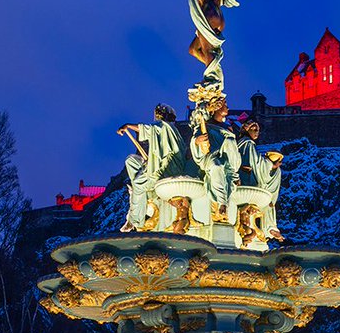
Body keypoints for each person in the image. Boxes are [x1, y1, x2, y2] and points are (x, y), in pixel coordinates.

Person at [118, 104, 185, 232]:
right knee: (131, 160)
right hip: (159, 164)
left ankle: (135, 220)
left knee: (138, 183)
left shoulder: (164, 127)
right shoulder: (167, 129)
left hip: (165, 169)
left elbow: (146, 128)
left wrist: (127, 126)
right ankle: (142, 186)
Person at [189, 95, 239, 223]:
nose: (227, 107)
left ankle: (232, 177)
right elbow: (195, 138)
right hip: (211, 157)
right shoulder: (206, 125)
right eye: (224, 104)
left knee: (230, 141)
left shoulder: (228, 127)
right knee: (216, 166)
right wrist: (197, 141)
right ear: (215, 108)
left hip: (228, 158)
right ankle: (222, 203)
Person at [235, 118, 283, 240]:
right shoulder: (247, 143)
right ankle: (269, 227)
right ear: (246, 129)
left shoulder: (244, 143)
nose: (257, 132)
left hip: (247, 177)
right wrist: (270, 164)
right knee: (268, 193)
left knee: (267, 197)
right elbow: (257, 164)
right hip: (247, 178)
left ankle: (270, 227)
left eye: (258, 130)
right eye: (254, 129)